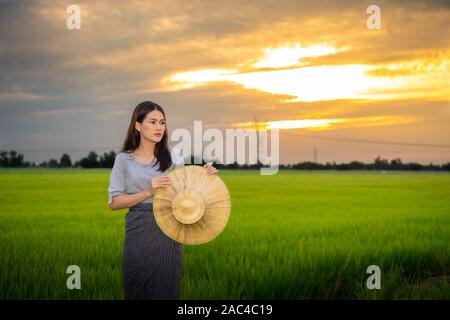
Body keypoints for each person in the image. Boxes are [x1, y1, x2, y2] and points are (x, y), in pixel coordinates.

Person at [108, 101, 218, 300]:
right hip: (139, 229)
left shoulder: (173, 156)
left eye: (162, 122)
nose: (159, 127)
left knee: (167, 288)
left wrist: (204, 177)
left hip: (169, 227)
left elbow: (186, 195)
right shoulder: (124, 159)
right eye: (153, 122)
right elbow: (115, 202)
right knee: (136, 286)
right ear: (138, 125)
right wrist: (150, 190)